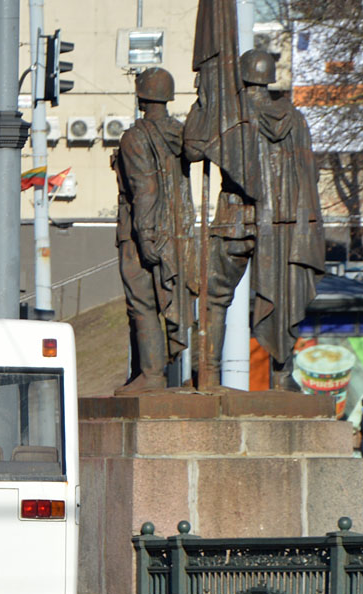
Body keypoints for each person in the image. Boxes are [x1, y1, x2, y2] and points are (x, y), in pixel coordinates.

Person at [185, 49, 325, 387]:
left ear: (241, 76)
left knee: (214, 294)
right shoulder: (295, 118)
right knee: (282, 293)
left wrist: (203, 104)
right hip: (279, 224)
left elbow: (191, 149)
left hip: (234, 216)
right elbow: (310, 173)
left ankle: (207, 372)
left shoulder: (230, 116)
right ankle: (281, 374)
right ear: (270, 76)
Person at [112, 67, 197, 395]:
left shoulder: (135, 136)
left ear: (141, 95)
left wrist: (145, 234)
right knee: (169, 299)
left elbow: (143, 187)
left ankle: (151, 374)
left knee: (142, 302)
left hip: (142, 231)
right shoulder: (180, 134)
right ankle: (142, 372)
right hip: (178, 230)